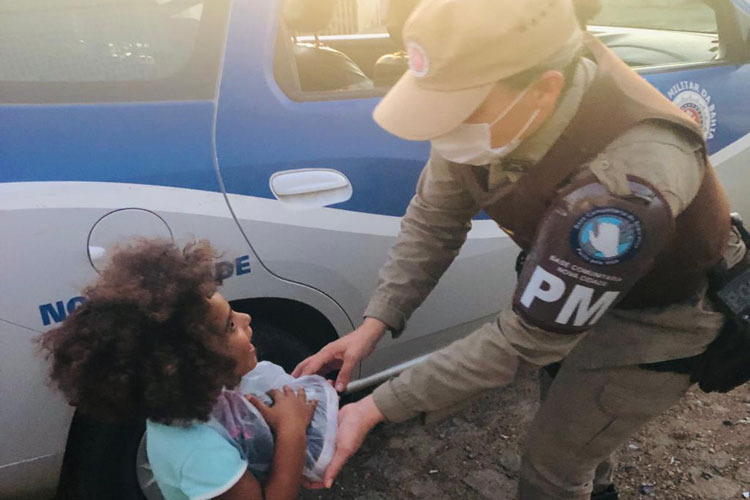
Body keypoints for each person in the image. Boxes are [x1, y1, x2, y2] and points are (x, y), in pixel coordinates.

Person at [293, 0, 745, 499]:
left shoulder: (622, 191)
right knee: (571, 408)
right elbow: (435, 217)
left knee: (555, 467)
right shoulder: (497, 99)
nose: (443, 131)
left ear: (543, 89)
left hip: (659, 315)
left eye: (458, 110)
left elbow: (527, 341)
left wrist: (375, 406)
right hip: (575, 283)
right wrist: (376, 322)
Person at [38, 239, 330, 500]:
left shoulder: (188, 403)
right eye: (230, 325)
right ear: (191, 362)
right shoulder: (199, 453)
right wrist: (292, 432)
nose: (247, 318)